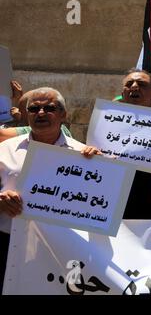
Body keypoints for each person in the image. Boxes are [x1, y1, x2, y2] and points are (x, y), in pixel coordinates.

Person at [0, 87, 100, 292]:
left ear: (63, 114)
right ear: (26, 114)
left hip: (64, 249)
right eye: (34, 109)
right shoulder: (4, 150)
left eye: (49, 108)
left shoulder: (85, 156)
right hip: (9, 244)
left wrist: (104, 167)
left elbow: (101, 200)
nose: (41, 113)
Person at [117, 68, 151, 219]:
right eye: (129, 84)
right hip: (114, 206)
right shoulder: (104, 125)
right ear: (123, 93)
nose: (134, 87)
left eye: (141, 84)